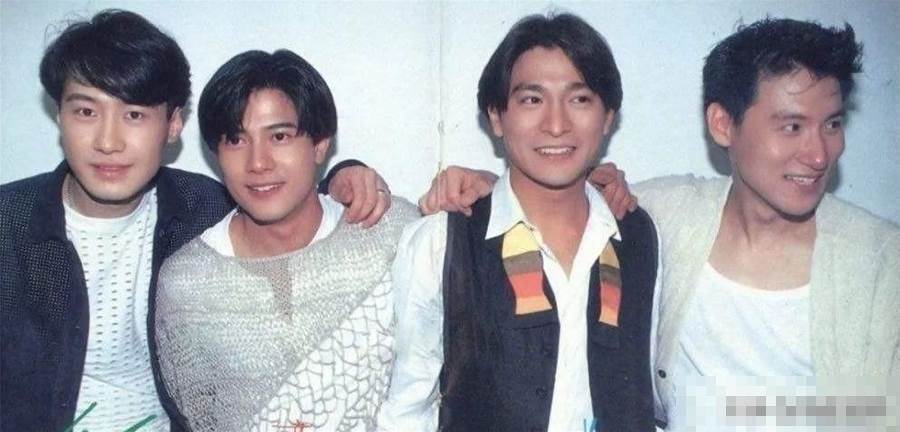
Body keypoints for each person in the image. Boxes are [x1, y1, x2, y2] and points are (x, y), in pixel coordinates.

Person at [422, 18, 899, 430]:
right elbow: (556, 193)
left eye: (832, 124)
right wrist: (483, 187)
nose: (818, 155)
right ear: (722, 124)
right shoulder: (666, 217)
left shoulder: (881, 262)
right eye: (792, 126)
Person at [0, 10, 389, 431]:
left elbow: (283, 199)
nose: (108, 142)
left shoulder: (201, 208)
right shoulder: (9, 223)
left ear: (173, 125)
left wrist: (344, 175)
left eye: (134, 115)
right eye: (86, 112)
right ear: (59, 116)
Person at [378, 13, 660, 431]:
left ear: (608, 117)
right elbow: (407, 410)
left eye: (580, 99)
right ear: (496, 116)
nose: (556, 124)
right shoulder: (442, 241)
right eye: (532, 100)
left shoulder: (640, 236)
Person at [153, 49, 418, 432]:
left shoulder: (391, 233)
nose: (258, 163)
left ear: (320, 144)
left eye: (279, 136)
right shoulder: (187, 283)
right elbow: (196, 413)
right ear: (215, 153)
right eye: (236, 140)